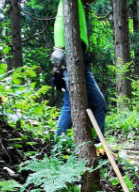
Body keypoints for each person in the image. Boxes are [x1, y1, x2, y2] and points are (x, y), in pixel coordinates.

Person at [51, 0, 107, 137]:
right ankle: (59, 147)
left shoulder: (79, 4)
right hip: (71, 54)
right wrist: (59, 48)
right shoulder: (71, 2)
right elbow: (60, 20)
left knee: (74, 103)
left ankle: (60, 146)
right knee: (78, 104)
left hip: (76, 54)